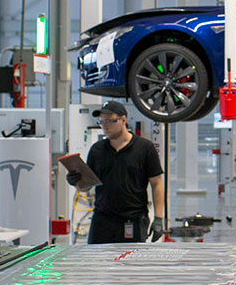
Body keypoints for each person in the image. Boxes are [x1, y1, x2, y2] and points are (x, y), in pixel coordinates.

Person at [67, 100, 165, 243]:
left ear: (123, 120)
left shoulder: (145, 148)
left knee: (130, 264)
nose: (105, 127)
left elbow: (156, 184)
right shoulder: (97, 150)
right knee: (96, 263)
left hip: (133, 220)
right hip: (102, 220)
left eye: (109, 121)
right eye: (101, 122)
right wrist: (75, 180)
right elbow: (86, 188)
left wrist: (158, 218)